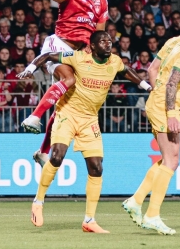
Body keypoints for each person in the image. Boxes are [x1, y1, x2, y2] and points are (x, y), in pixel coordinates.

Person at [23, 31, 147, 232]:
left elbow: (126, 70)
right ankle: (38, 201)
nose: (108, 44)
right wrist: (31, 67)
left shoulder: (114, 61)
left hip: (90, 119)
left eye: (109, 41)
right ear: (93, 46)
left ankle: (89, 220)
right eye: (103, 41)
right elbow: (48, 55)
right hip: (67, 114)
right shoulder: (79, 57)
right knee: (56, 157)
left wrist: (144, 85)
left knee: (97, 168)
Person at [122, 14, 180, 235]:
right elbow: (172, 83)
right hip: (166, 107)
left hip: (158, 102)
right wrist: (170, 112)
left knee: (171, 159)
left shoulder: (172, 41)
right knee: (171, 161)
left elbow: (152, 70)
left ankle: (136, 200)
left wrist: (157, 96)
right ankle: (152, 215)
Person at [21, 0, 107, 158]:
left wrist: (92, 54)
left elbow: (99, 34)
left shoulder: (102, 0)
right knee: (69, 79)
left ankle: (42, 152)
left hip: (77, 54)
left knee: (62, 109)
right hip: (58, 43)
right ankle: (34, 117)